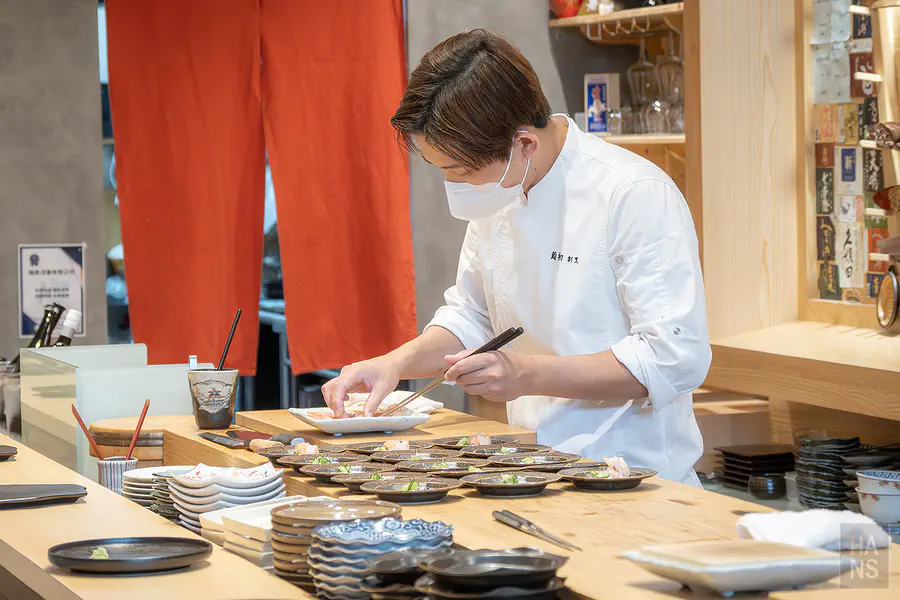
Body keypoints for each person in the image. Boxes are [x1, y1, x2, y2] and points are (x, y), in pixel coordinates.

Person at [322, 29, 710, 486]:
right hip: (532, 468)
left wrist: (524, 373)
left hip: (634, 476)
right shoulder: (500, 190)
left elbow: (673, 357)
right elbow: (471, 318)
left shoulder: (632, 193)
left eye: (458, 170)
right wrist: (396, 364)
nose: (452, 184)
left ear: (523, 144)